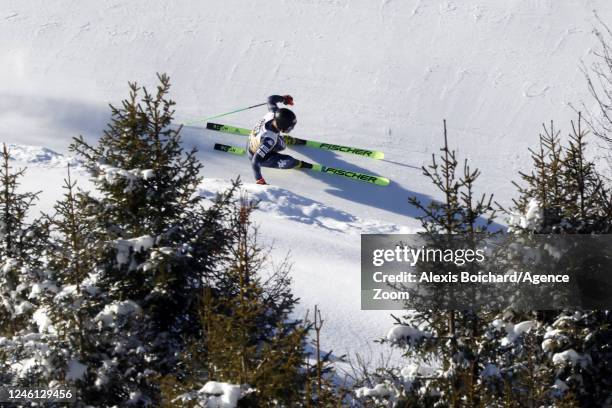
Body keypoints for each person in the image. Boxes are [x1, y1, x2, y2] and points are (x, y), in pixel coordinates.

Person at [248, 94, 313, 185]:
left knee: (281, 145)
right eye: (290, 128)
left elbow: (270, 99)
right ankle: (296, 163)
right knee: (288, 161)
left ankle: (282, 140)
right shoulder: (269, 140)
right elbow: (255, 161)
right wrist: (259, 179)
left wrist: (283, 99)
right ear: (282, 126)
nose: (291, 129)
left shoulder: (274, 113)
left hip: (256, 139)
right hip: (258, 155)